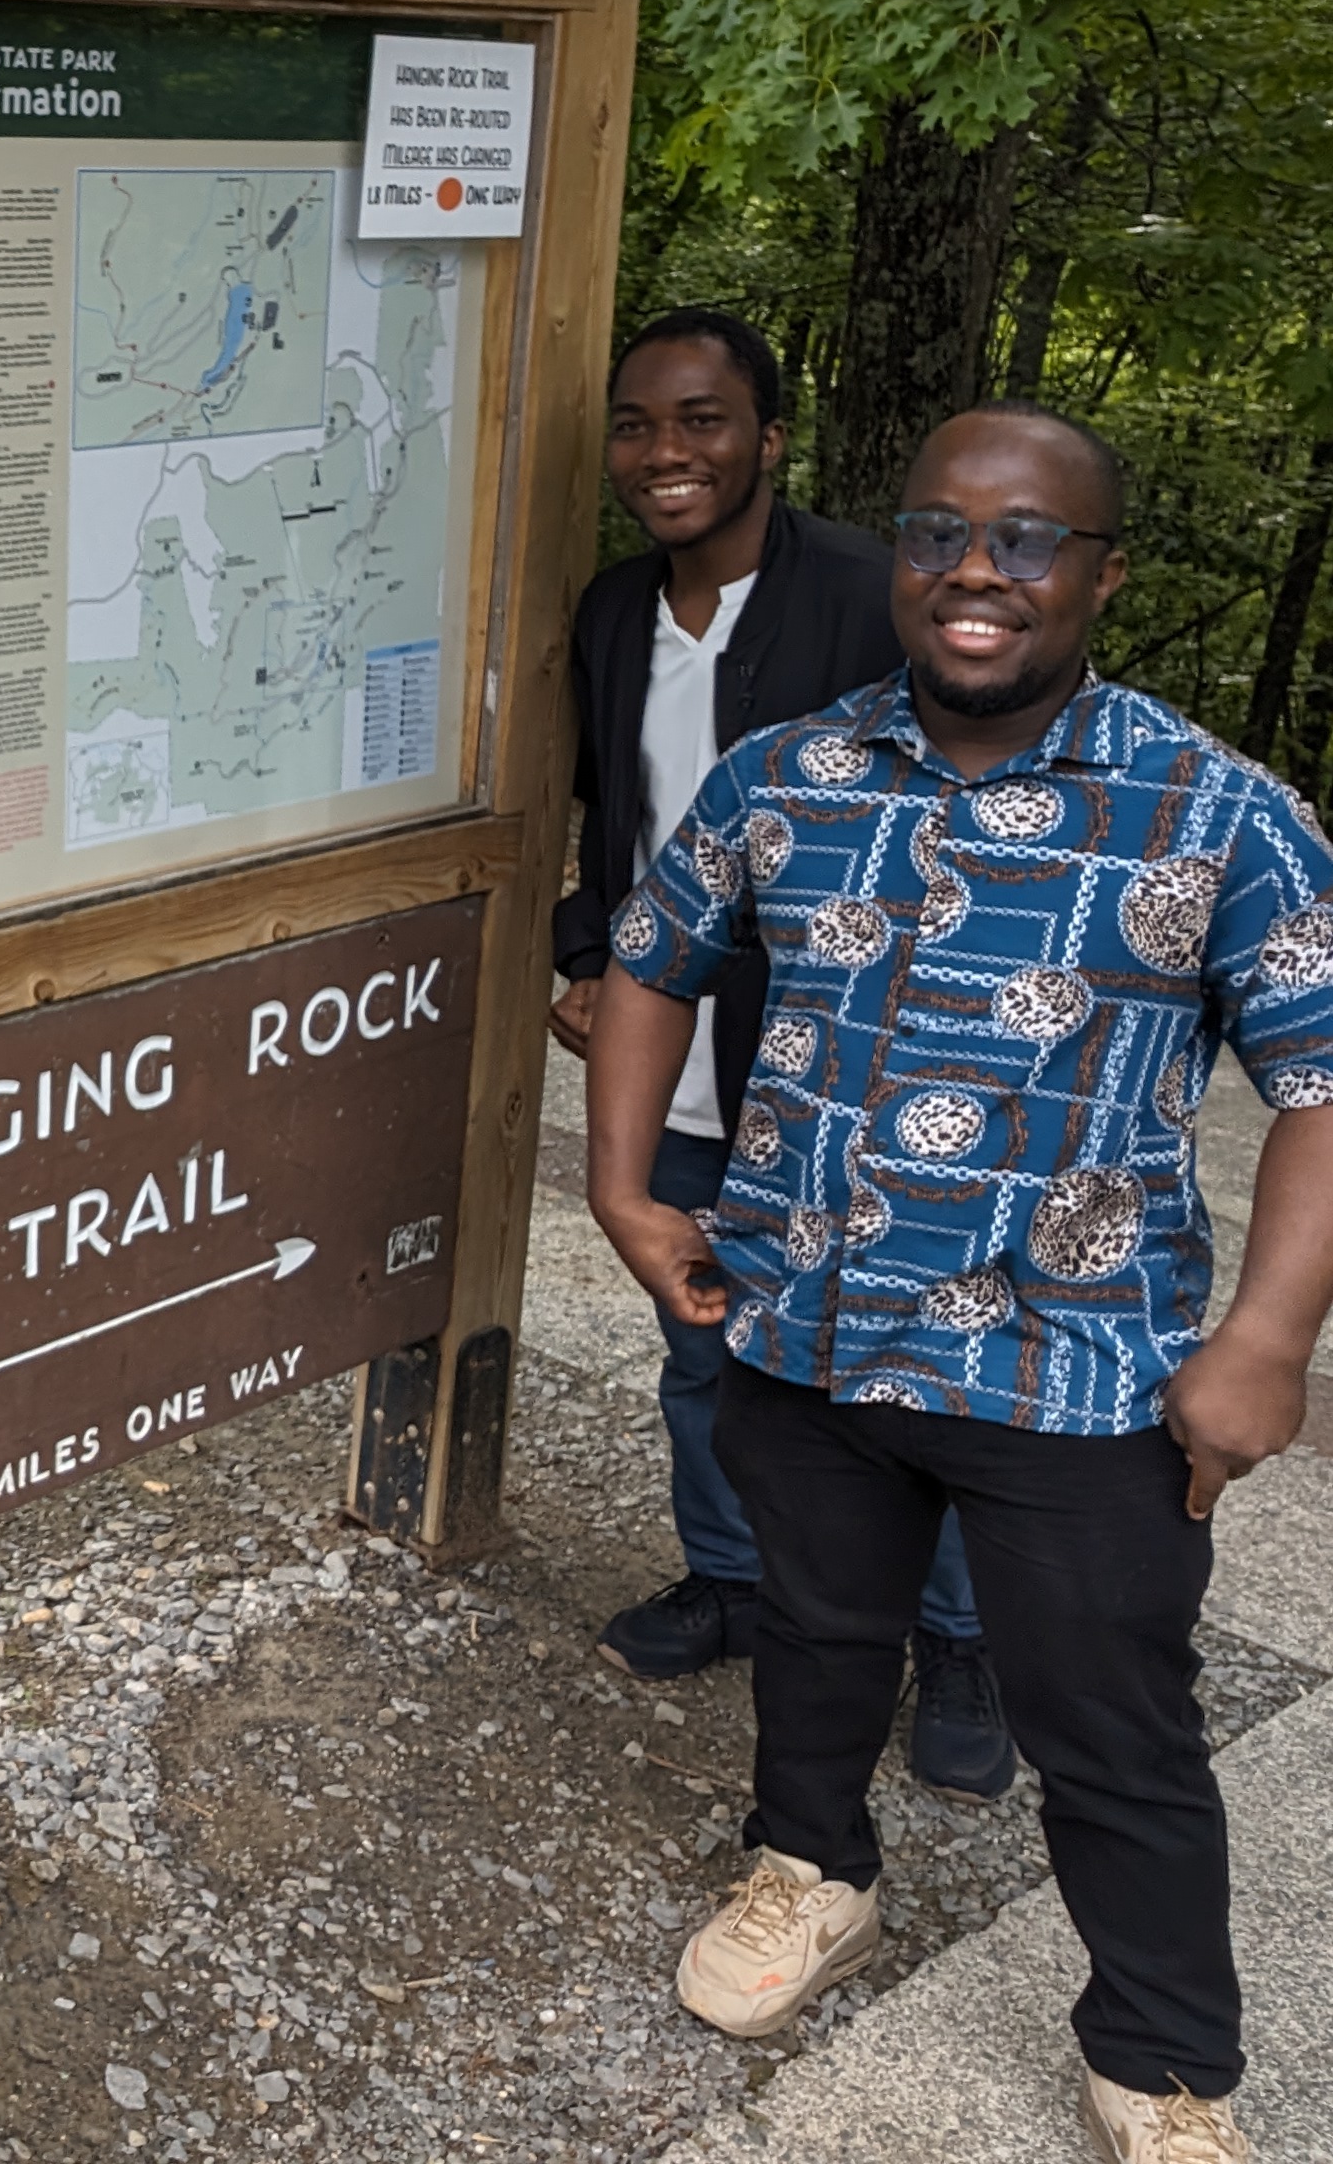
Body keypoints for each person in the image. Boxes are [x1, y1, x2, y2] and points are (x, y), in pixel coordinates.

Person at [591, 404, 1333, 2164]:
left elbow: (1322, 1082)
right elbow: (649, 960)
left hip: (1077, 1371)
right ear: (900, 556)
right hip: (810, 1327)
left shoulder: (1218, 812)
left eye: (1025, 539)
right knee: (820, 1636)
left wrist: (1270, 1341)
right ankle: (813, 1875)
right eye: (936, 534)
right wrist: (626, 1191)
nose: (974, 572)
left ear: (1100, 575)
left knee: (1113, 1721)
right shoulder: (786, 776)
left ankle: (1161, 2064)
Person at [553, 308, 1013, 1797]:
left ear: (769, 436)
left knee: (911, 1371)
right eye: (638, 424)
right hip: (675, 1067)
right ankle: (735, 1582)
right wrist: (587, 960)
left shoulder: (863, 600)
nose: (666, 453)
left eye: (701, 420)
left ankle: (954, 1642)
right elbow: (609, 823)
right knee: (706, 1351)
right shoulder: (616, 612)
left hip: (848, 1080)